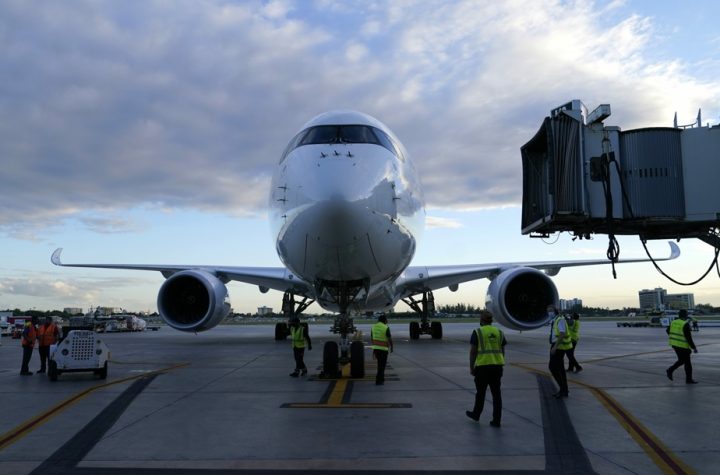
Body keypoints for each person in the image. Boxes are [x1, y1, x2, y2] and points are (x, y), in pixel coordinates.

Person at [466, 313, 506, 427]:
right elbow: (502, 350)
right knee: (496, 394)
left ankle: (476, 414)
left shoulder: (478, 332)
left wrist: (471, 367)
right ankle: (497, 420)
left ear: (481, 320)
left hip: (482, 368)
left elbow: (473, 352)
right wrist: (500, 363)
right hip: (497, 367)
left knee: (481, 394)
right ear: (491, 321)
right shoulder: (499, 332)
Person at [666, 309, 698, 384]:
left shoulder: (673, 322)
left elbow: (667, 330)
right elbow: (689, 338)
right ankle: (688, 379)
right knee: (687, 363)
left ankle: (670, 370)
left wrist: (673, 337)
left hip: (674, 344)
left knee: (682, 361)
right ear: (686, 316)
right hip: (683, 346)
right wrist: (694, 348)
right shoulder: (685, 324)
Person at [548, 305, 571, 398]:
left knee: (552, 368)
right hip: (557, 346)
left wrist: (555, 347)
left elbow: (562, 334)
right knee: (560, 369)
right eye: (548, 311)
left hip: (558, 347)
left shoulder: (560, 320)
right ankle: (564, 390)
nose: (549, 313)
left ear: (555, 311)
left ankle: (563, 389)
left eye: (551, 310)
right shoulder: (555, 320)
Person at [371, 314, 393, 385]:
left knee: (380, 364)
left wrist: (374, 349)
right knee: (382, 366)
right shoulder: (386, 327)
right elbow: (389, 338)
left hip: (376, 349)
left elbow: (372, 338)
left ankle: (381, 379)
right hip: (383, 349)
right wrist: (392, 347)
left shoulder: (373, 327)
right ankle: (379, 380)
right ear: (384, 320)